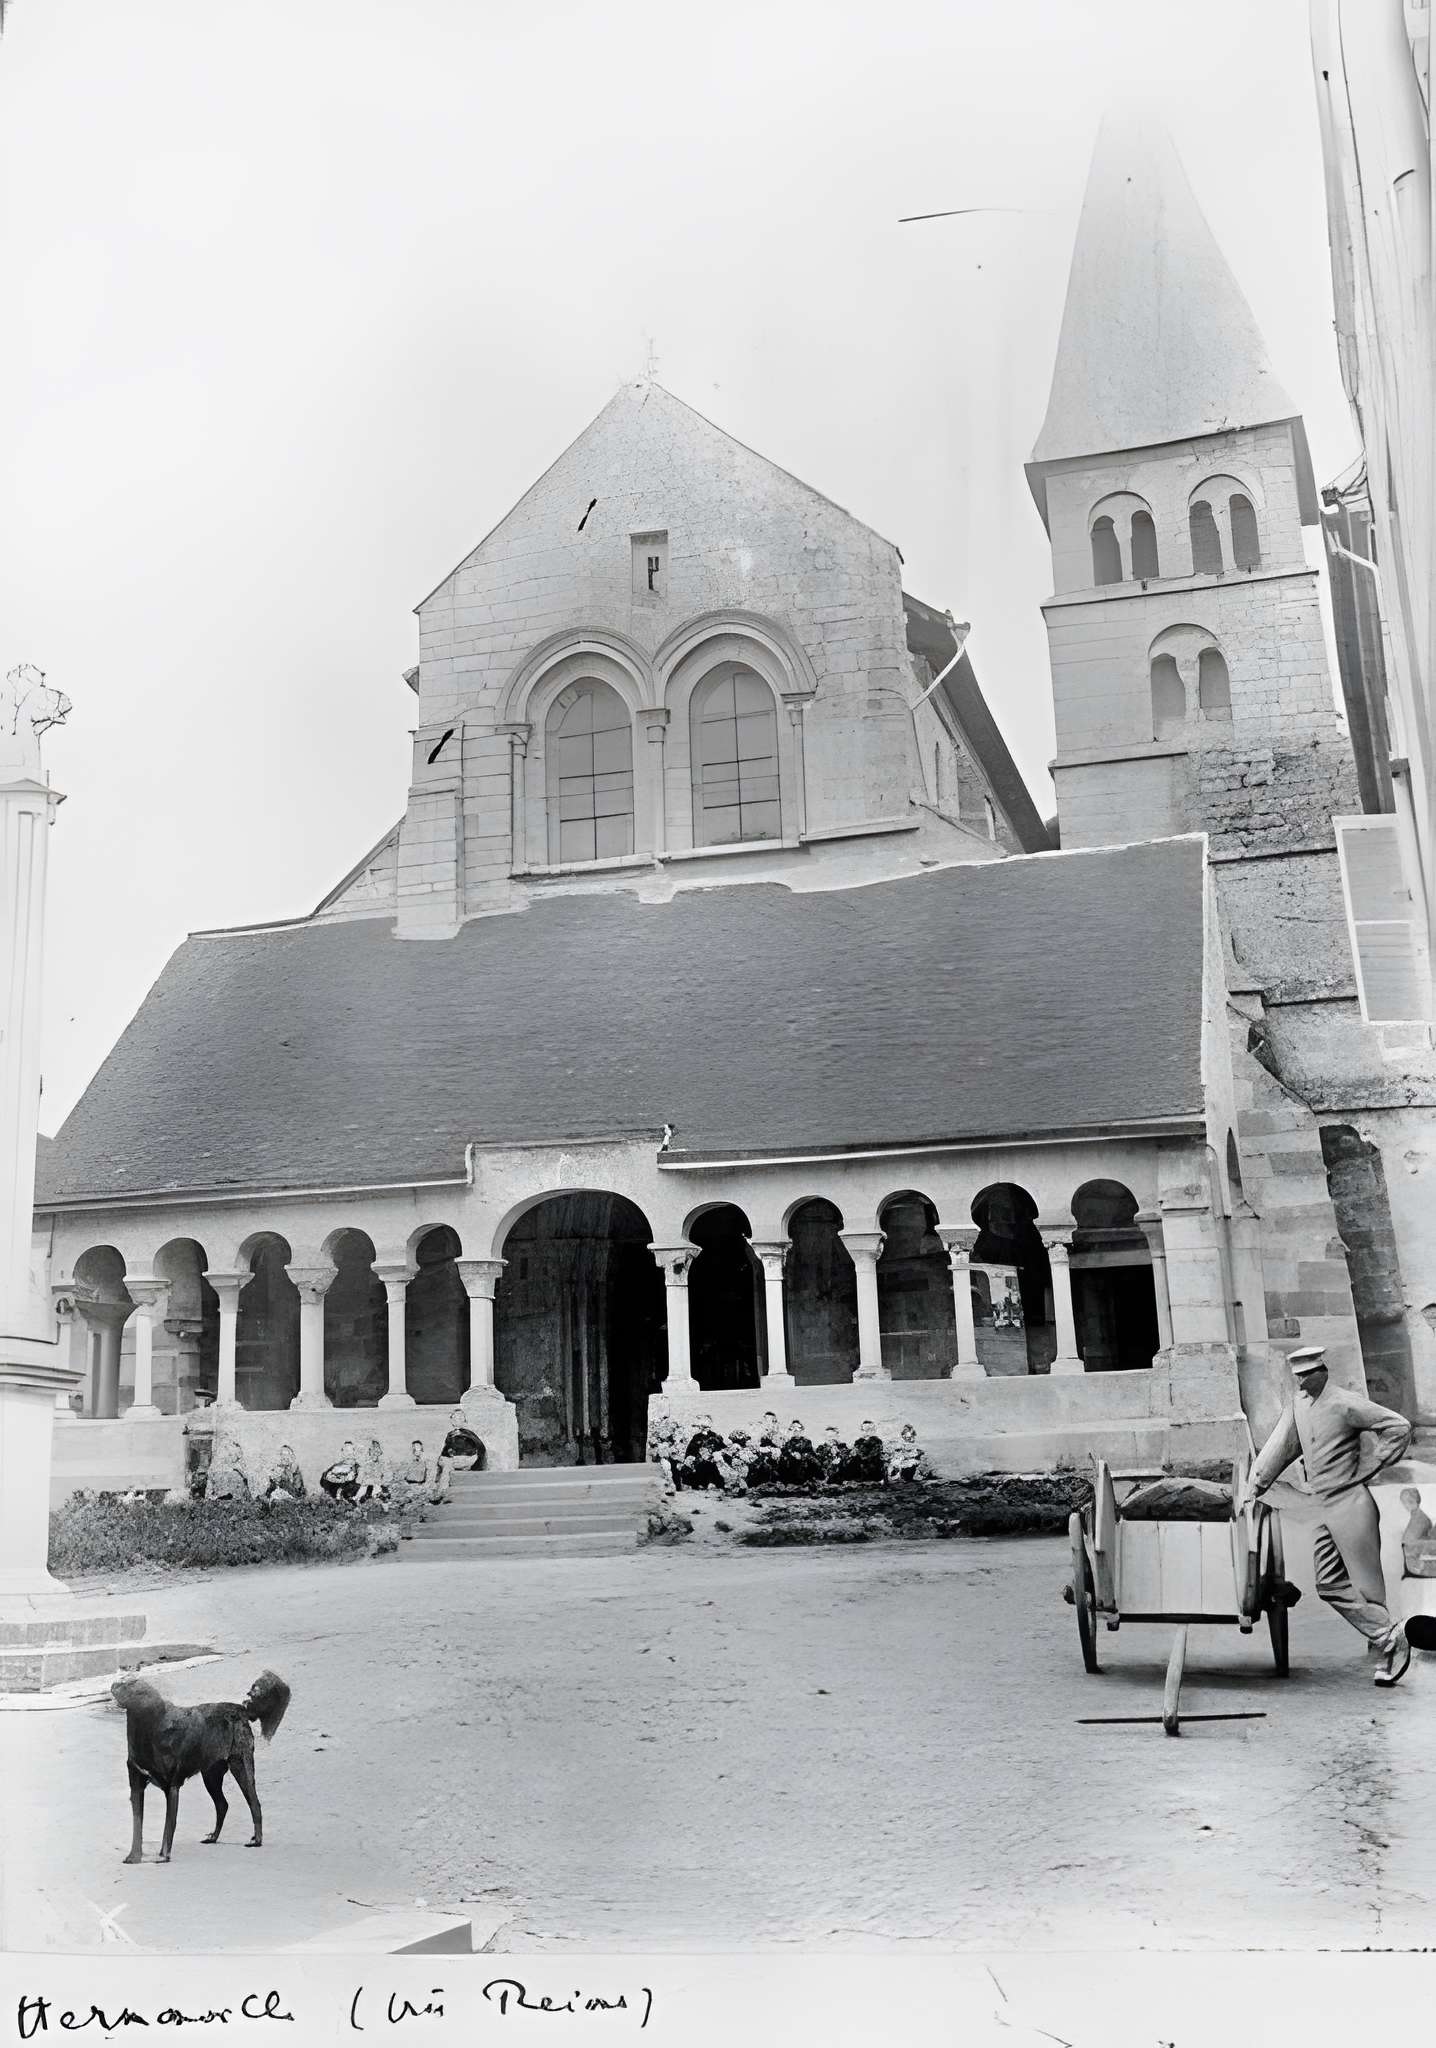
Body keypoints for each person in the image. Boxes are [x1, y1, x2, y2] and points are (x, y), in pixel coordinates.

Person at [1243, 1346, 1415, 1686]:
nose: (1303, 1381)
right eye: (1298, 1376)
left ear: (1323, 1371)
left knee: (1367, 1584)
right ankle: (1388, 1634)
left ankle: (1388, 1648)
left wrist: (1369, 1466)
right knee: (1328, 1583)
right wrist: (1253, 1488)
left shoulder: (1345, 1403)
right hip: (1325, 1504)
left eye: (1308, 1374)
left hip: (1352, 1503)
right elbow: (1279, 1450)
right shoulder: (1299, 1408)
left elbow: (1398, 1426)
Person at [434, 1409, 485, 1497]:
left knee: (447, 1467)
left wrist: (472, 1460)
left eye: (460, 1418)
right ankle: (441, 1490)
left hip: (466, 1460)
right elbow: (446, 1450)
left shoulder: (469, 1434)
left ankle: (442, 1491)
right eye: (455, 1418)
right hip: (454, 1460)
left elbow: (480, 1448)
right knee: (446, 1465)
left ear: (464, 1421)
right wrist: (448, 1455)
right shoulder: (450, 1434)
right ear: (452, 1421)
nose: (458, 1420)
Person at [681, 1414, 729, 1491]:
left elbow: (722, 1447)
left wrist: (718, 1454)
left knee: (714, 1474)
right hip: (699, 1461)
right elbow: (691, 1449)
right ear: (701, 1427)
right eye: (704, 1427)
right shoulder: (697, 1437)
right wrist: (691, 1458)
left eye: (708, 1427)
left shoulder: (715, 1436)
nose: (706, 1429)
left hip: (712, 1461)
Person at [1399, 1486, 1436, 1578]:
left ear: (1412, 1501)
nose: (1404, 1505)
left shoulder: (1420, 1519)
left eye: (1405, 1502)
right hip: (1415, 1558)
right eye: (1403, 1502)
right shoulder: (1418, 1517)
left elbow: (1411, 1544)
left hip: (1417, 1559)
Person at [777, 1419, 821, 1488]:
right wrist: (792, 1454)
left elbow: (810, 1453)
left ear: (801, 1430)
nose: (795, 1430)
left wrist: (801, 1456)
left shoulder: (806, 1442)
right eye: (793, 1428)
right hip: (791, 1468)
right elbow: (784, 1453)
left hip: (804, 1468)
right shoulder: (788, 1443)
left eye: (797, 1428)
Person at [745, 1411, 784, 1487]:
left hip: (774, 1455)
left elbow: (780, 1445)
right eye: (766, 1419)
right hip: (761, 1454)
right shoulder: (760, 1431)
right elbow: (754, 1444)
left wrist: (773, 1449)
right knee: (755, 1466)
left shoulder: (777, 1432)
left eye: (770, 1420)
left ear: (774, 1421)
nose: (768, 1422)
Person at [319, 1439, 362, 1504]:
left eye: (351, 1450)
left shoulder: (356, 1466)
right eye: (347, 1450)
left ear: (354, 1452)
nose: (349, 1453)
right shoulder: (336, 1466)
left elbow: (352, 1478)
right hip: (333, 1494)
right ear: (342, 1452)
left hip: (348, 1495)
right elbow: (326, 1477)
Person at [846, 1419, 885, 1485]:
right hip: (860, 1464)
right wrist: (853, 1453)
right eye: (864, 1430)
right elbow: (855, 1451)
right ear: (861, 1431)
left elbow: (874, 1453)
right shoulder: (858, 1441)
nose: (866, 1432)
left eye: (869, 1430)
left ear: (873, 1431)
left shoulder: (877, 1441)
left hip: (872, 1464)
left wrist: (859, 1453)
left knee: (872, 1463)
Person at [397, 1439, 434, 1504]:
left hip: (421, 1487)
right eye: (414, 1448)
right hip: (410, 1487)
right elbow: (403, 1475)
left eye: (418, 1448)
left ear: (421, 1449)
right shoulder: (408, 1461)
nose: (416, 1450)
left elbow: (428, 1475)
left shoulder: (425, 1461)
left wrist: (425, 1487)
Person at [356, 1438, 388, 1503]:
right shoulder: (365, 1465)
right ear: (369, 1452)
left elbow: (386, 1478)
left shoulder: (382, 1465)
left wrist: (380, 1481)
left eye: (376, 1451)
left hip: (377, 1488)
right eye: (372, 1451)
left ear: (379, 1453)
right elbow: (358, 1480)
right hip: (365, 1488)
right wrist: (365, 1480)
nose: (374, 1454)